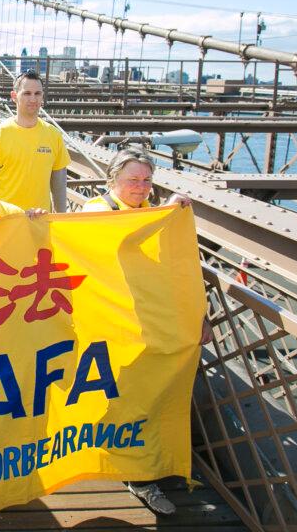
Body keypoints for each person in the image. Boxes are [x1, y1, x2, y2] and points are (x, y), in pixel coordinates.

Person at [82, 145, 209, 516]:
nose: (141, 187)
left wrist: (200, 315)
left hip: (152, 322)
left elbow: (182, 269)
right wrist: (163, 213)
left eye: (147, 180)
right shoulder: (97, 212)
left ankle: (143, 468)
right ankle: (137, 473)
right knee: (124, 396)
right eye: (132, 179)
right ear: (113, 180)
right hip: (111, 322)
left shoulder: (153, 214)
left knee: (148, 395)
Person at [0, 71, 70, 213]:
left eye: (37, 94)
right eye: (27, 93)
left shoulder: (54, 135)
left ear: (42, 97)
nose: (33, 99)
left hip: (40, 221)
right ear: (14, 96)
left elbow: (59, 185)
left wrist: (61, 220)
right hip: (5, 220)